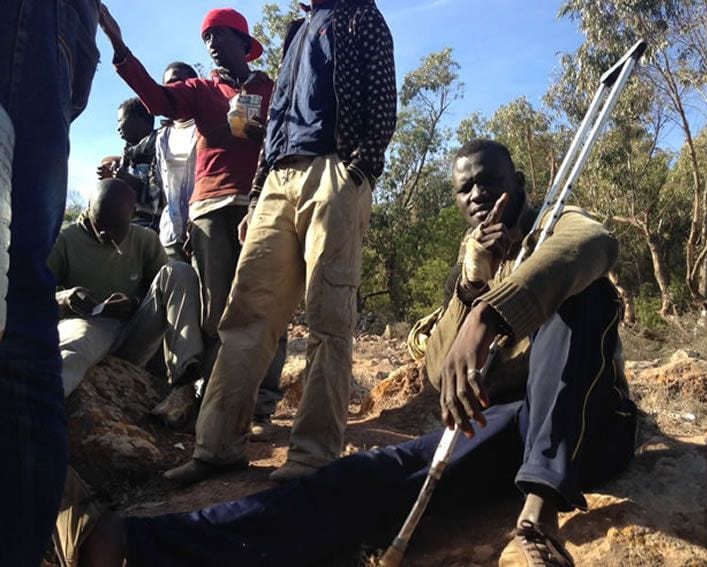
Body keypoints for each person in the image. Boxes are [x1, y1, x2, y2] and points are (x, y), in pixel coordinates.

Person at [54, 140, 636, 567]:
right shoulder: (472, 258)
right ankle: (137, 546)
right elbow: (439, 369)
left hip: (593, 428)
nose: (480, 196)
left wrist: (493, 313)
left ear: (521, 181)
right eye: (466, 189)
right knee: (363, 478)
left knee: (579, 298)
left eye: (490, 181)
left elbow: (596, 245)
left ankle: (538, 518)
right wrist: (469, 292)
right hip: (511, 430)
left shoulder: (558, 222)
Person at [165, 0, 398, 486]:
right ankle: (217, 447)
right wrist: (256, 195)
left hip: (334, 171)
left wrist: (359, 169)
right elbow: (276, 120)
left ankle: (313, 455)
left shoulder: (360, 16)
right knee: (246, 315)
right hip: (276, 181)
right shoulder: (296, 32)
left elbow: (382, 97)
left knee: (328, 316)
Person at [99, 5, 286, 436]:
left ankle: (261, 408)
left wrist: (265, 136)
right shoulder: (201, 89)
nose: (212, 45)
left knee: (269, 305)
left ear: (244, 43)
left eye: (220, 36)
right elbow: (158, 99)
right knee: (216, 311)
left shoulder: (273, 88)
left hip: (265, 202)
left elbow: (290, 136)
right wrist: (120, 48)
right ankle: (220, 410)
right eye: (207, 39)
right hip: (209, 209)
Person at [0, 1, 100, 564]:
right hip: (56, 32)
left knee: (16, 290)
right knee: (24, 290)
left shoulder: (140, 244)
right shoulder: (75, 238)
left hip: (32, 24)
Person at [50, 178, 203, 426]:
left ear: (132, 215)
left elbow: (165, 291)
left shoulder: (145, 240)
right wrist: (66, 299)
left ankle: (184, 383)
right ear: (88, 209)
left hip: (134, 332)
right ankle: (33, 421)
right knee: (71, 349)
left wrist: (134, 302)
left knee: (179, 271)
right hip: (89, 325)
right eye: (99, 224)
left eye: (115, 227)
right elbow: (32, 296)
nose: (104, 233)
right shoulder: (65, 240)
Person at [153, 62, 198, 262]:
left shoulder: (208, 126)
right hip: (170, 236)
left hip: (202, 230)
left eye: (180, 82)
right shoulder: (162, 136)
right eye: (168, 85)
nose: (174, 88)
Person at [100, 97, 164, 231]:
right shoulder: (128, 154)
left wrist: (128, 180)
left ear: (138, 119)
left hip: (154, 227)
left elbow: (160, 197)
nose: (118, 128)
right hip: (128, 226)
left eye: (120, 121)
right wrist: (111, 180)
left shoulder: (160, 147)